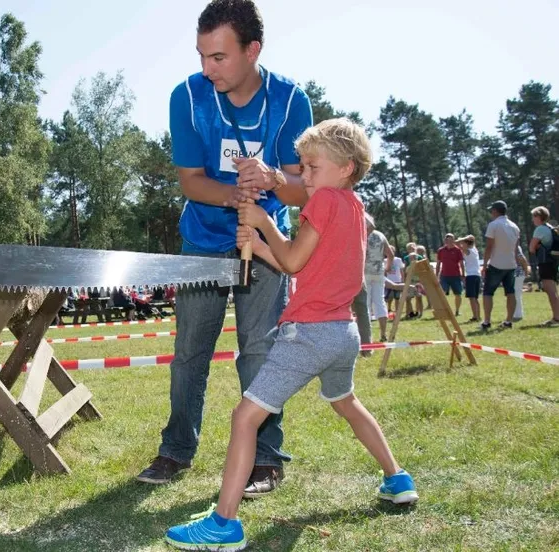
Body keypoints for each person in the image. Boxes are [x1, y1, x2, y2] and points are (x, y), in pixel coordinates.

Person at [165, 118, 417, 550]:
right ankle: (397, 478)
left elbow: (294, 262)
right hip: (343, 333)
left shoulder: (322, 203)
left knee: (245, 418)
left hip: (309, 335)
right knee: (347, 403)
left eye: (312, 167)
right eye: (301, 166)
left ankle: (224, 525)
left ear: (347, 168)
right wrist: (263, 244)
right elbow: (295, 261)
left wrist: (263, 220)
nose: (303, 175)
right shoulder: (355, 209)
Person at [136, 0, 313, 496]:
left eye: (218, 57)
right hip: (202, 241)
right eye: (201, 56)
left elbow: (304, 190)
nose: (206, 68)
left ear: (252, 49)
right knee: (190, 352)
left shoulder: (291, 101)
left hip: (266, 243)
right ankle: (175, 450)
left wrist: (275, 179)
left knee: (259, 351)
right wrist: (234, 194)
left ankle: (265, 457)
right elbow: (191, 181)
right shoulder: (187, 98)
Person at [481, 200, 520, 330]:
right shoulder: (515, 226)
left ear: (496, 211)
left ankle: (486, 321)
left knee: (487, 292)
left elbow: (489, 247)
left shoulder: (493, 225)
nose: (491, 213)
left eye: (492, 211)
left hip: (496, 264)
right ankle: (508, 320)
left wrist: (485, 264)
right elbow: (515, 249)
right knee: (511, 292)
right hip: (510, 264)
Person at [364, 214, 393, 342]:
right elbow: (390, 254)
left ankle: (368, 337)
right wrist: (386, 268)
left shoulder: (361, 235)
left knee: (366, 304)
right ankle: (383, 333)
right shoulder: (381, 235)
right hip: (379, 272)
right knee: (380, 302)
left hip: (364, 273)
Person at [529, 206, 559, 325]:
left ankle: (556, 317)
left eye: (534, 216)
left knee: (550, 291)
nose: (532, 219)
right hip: (553, 261)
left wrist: (537, 247)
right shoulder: (551, 228)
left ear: (539, 217)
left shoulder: (540, 229)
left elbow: (531, 248)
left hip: (545, 262)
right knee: (553, 290)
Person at [435, 233, 466, 317]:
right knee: (442, 293)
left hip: (455, 275)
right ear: (445, 240)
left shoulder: (458, 250)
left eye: (451, 239)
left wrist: (463, 274)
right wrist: (436, 276)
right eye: (447, 240)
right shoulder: (441, 250)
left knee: (458, 294)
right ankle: (444, 310)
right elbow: (438, 264)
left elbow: (461, 264)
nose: (449, 241)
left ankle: (457, 311)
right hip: (444, 275)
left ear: (453, 240)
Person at [456, 235, 482, 322]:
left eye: (464, 243)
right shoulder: (475, 249)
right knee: (475, 297)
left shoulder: (468, 251)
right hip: (477, 275)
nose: (462, 244)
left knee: (472, 297)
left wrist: (464, 239)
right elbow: (472, 239)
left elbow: (456, 243)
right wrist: (467, 239)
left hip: (471, 276)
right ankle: (477, 315)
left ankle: (475, 316)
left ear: (467, 243)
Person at [385, 245, 404, 313]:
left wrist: (403, 279)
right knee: (387, 297)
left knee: (397, 297)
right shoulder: (385, 260)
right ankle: (388, 309)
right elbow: (384, 271)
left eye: (392, 250)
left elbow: (401, 270)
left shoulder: (398, 260)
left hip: (397, 281)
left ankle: (397, 310)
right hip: (388, 281)